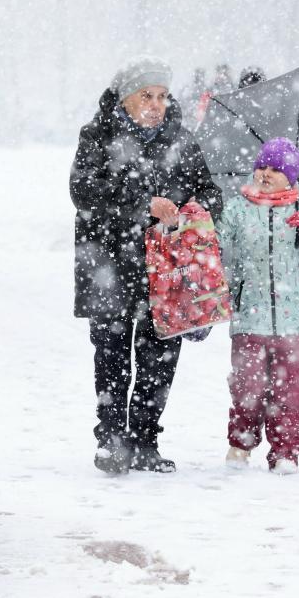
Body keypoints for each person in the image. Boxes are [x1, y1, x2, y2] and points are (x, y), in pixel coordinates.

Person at [70, 57, 223, 475]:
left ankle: (144, 441)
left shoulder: (182, 141)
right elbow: (83, 191)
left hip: (167, 273)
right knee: (112, 354)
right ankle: (112, 441)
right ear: (126, 99)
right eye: (146, 96)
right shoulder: (98, 136)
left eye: (161, 95)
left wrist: (190, 209)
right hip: (109, 264)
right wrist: (142, 206)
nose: (156, 104)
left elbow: (212, 195)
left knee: (160, 357)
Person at [216, 138, 299, 474]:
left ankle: (285, 452)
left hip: (294, 318)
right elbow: (220, 247)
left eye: (276, 168)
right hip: (249, 312)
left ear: (291, 176)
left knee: (290, 389)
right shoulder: (237, 208)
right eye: (262, 166)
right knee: (247, 384)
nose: (265, 173)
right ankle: (240, 443)